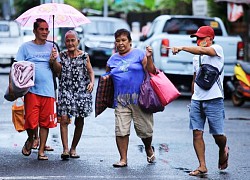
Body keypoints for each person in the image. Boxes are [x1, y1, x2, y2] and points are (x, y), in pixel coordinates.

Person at [171, 26, 229, 176]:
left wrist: (182, 47)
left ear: (210, 39)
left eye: (202, 38)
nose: (199, 41)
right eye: (197, 38)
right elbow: (195, 78)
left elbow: (203, 50)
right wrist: (192, 98)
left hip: (214, 99)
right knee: (197, 133)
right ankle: (202, 165)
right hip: (197, 100)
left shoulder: (217, 50)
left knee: (218, 135)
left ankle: (223, 149)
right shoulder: (196, 57)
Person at [8, 18, 61, 160]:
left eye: (46, 30)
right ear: (34, 31)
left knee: (46, 122)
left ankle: (41, 151)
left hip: (48, 90)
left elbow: (58, 71)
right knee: (31, 121)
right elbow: (16, 67)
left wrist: (54, 60)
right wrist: (11, 85)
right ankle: (31, 138)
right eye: (41, 29)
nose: (44, 32)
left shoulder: (53, 47)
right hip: (30, 90)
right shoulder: (25, 47)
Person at [106, 28, 156, 168]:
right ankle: (123, 159)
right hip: (121, 100)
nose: (120, 43)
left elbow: (151, 70)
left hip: (140, 99)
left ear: (130, 41)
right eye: (117, 41)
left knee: (145, 131)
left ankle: (148, 148)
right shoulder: (112, 59)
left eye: (123, 40)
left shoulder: (139, 54)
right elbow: (107, 78)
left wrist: (150, 57)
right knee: (121, 130)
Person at [57, 30, 94, 160]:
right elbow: (57, 71)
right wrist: (53, 60)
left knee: (79, 121)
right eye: (68, 40)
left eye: (73, 40)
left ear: (78, 41)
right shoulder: (61, 55)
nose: (70, 43)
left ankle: (73, 148)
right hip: (65, 90)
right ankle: (65, 149)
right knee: (64, 119)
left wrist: (92, 83)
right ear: (64, 42)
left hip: (81, 92)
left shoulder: (84, 56)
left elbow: (90, 71)